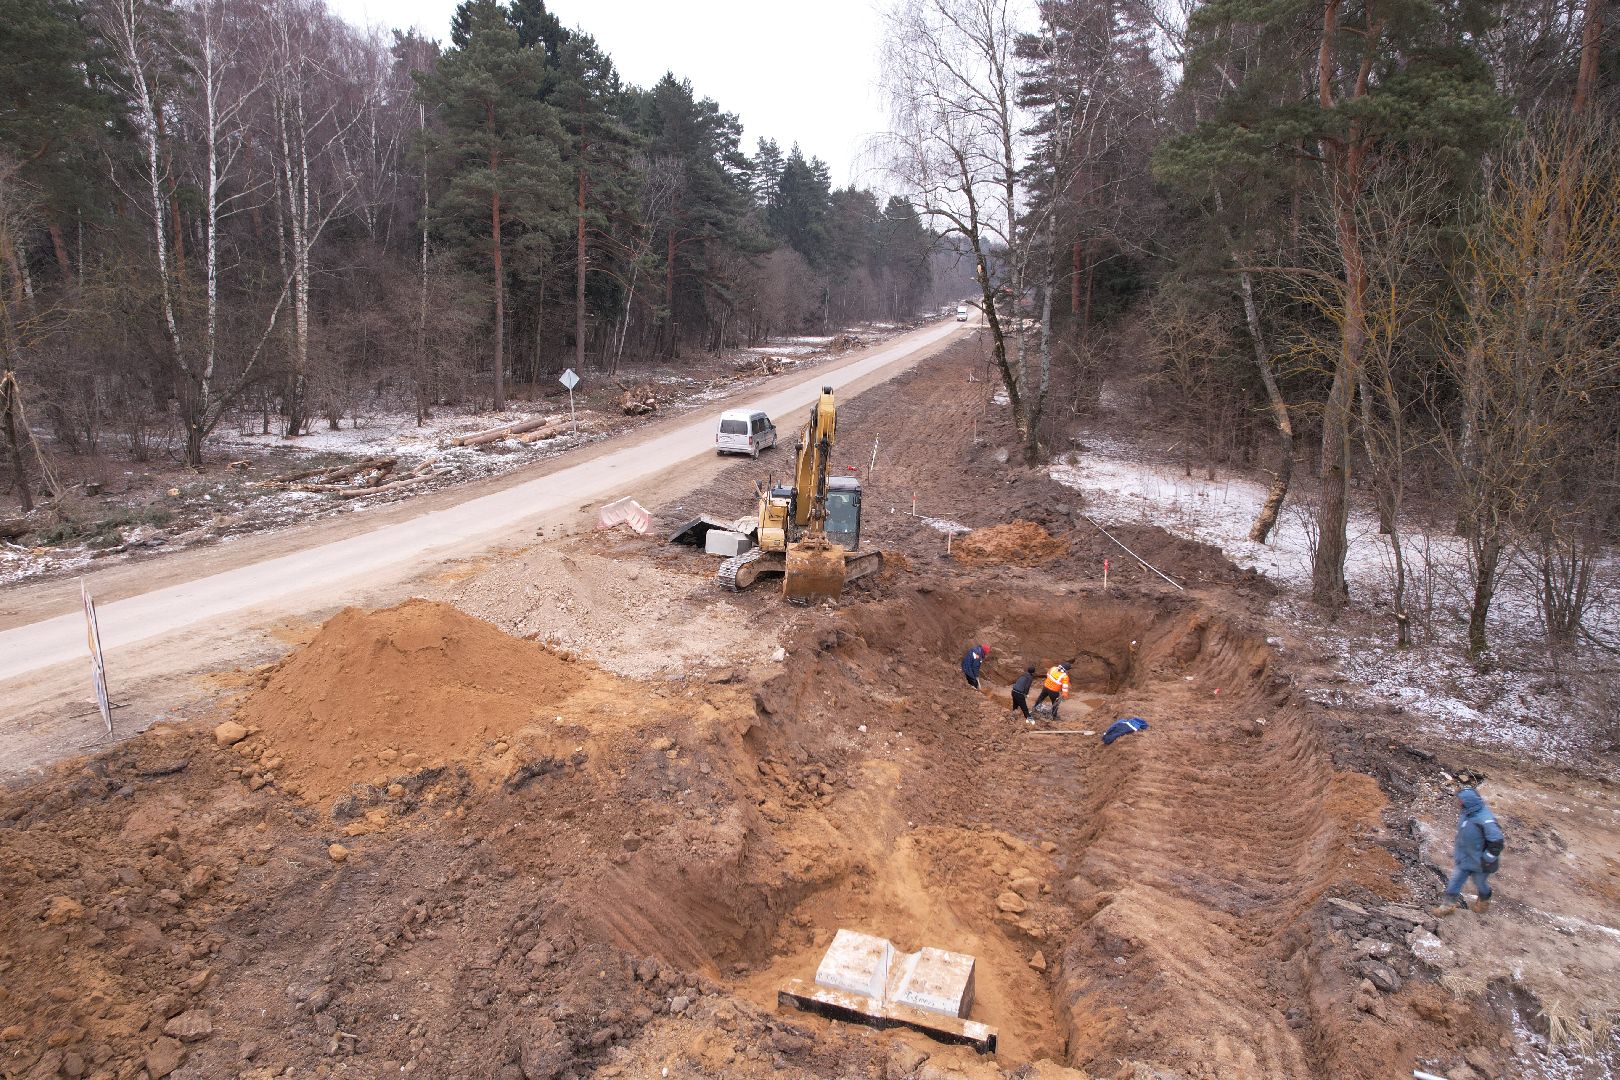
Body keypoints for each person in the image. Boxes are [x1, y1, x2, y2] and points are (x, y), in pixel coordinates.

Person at [1433, 783, 1504, 916]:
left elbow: (1496, 842)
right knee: (1455, 880)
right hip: (1465, 858)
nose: (1458, 802)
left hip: (1480, 863)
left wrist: (1487, 859)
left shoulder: (1485, 820)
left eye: (1460, 800)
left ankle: (1484, 898)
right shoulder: (1467, 813)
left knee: (1480, 883)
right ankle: (1447, 905)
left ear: (1468, 802)